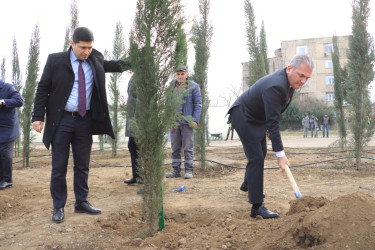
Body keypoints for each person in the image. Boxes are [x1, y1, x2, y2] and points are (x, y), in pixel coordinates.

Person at [32, 27, 130, 223]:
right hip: (62, 120)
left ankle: (81, 202)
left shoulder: (95, 59)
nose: (87, 51)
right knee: (59, 166)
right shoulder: (55, 60)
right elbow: (42, 88)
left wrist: (136, 59)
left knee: (83, 165)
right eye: (83, 47)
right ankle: (58, 206)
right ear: (72, 44)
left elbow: (114, 65)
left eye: (90, 48)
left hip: (85, 121)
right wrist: (37, 116)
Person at [228, 54, 314, 219]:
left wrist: (269, 130)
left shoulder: (289, 84)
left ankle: (248, 184)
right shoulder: (276, 86)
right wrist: (281, 155)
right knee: (256, 158)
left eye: (307, 78)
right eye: (301, 75)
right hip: (243, 116)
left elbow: (274, 113)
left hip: (257, 118)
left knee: (261, 152)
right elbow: (273, 122)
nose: (303, 81)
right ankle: (257, 206)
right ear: (290, 68)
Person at [166, 66, 202, 179]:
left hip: (187, 123)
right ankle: (176, 170)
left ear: (187, 74)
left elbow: (198, 105)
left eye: (182, 74)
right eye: (178, 74)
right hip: (174, 123)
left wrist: (195, 120)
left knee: (188, 148)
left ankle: (189, 171)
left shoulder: (193, 86)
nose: (180, 76)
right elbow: (167, 104)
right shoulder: (172, 86)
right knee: (175, 148)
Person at [0, 81, 23, 190]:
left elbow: (19, 101)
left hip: (8, 128)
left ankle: (7, 180)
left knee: (5, 153)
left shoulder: (8, 88)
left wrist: (3, 101)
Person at [124, 76, 141, 185]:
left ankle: (140, 176)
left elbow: (141, 103)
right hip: (132, 119)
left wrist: (136, 123)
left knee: (138, 148)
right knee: (132, 147)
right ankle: (136, 175)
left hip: (138, 122)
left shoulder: (142, 77)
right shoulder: (133, 77)